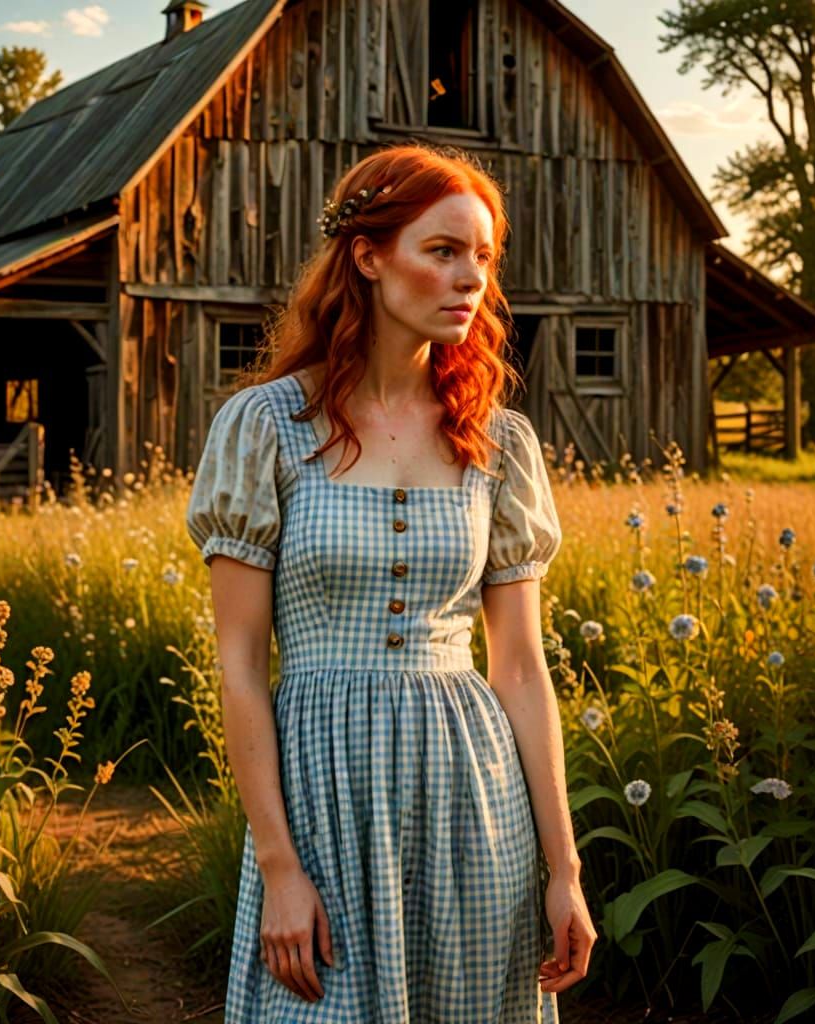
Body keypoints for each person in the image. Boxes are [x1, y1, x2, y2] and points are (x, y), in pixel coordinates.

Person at [185, 142, 596, 1022]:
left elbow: (520, 668)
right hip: (321, 793)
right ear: (369, 257)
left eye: (483, 257)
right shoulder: (266, 428)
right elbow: (241, 666)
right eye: (442, 251)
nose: (470, 279)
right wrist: (279, 866)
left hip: (472, 797)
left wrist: (564, 870)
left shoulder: (499, 443)